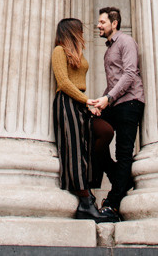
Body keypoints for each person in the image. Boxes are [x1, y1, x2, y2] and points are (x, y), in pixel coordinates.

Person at [88, 6, 145, 221]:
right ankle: (119, 177)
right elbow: (114, 82)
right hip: (114, 103)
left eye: (102, 22)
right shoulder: (108, 49)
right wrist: (100, 102)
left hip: (130, 103)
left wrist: (107, 99)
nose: (98, 25)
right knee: (92, 131)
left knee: (123, 153)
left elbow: (130, 74)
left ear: (114, 23)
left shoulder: (126, 42)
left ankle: (112, 204)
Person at [51, 17, 109, 222]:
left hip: (80, 102)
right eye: (79, 30)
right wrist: (87, 101)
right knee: (75, 149)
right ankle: (85, 201)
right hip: (67, 102)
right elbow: (64, 82)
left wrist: (85, 103)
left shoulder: (77, 53)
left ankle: (92, 185)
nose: (83, 33)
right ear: (71, 31)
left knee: (104, 132)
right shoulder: (59, 51)